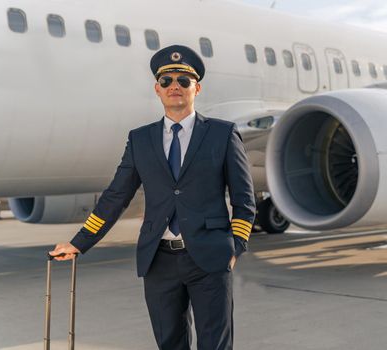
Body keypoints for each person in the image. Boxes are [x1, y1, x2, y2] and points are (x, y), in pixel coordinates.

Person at [50, 44, 256, 350]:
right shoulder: (140, 139)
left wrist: (235, 247)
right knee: (169, 343)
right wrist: (80, 242)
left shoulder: (222, 134)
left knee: (215, 344)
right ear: (157, 89)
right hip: (158, 261)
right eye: (167, 81)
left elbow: (244, 199)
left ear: (196, 88)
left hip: (210, 258)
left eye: (183, 81)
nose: (175, 86)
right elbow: (115, 196)